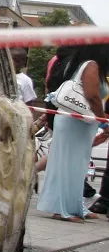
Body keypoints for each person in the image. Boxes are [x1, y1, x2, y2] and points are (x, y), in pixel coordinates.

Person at [37, 45, 109, 222]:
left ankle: (75, 205)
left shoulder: (83, 65)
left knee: (77, 165)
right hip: (75, 122)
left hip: (80, 122)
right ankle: (61, 208)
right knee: (67, 164)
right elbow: (92, 95)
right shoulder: (91, 66)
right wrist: (103, 120)